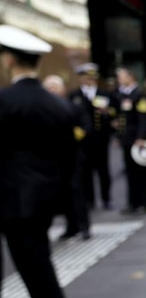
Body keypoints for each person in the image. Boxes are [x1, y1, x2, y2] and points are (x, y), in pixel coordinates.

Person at [0, 25, 76, 298]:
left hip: (15, 197)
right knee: (39, 258)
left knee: (32, 264)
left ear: (10, 61)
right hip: (47, 195)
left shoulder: (6, 101)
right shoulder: (56, 103)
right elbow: (69, 158)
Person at [44, 75, 91, 241]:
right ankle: (71, 227)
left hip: (72, 156)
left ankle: (84, 227)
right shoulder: (42, 110)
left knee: (77, 192)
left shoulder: (73, 107)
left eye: (54, 87)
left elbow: (84, 129)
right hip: (53, 160)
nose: (52, 90)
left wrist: (66, 137)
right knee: (62, 195)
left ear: (62, 89)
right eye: (48, 87)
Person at [69, 63, 113, 209]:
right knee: (85, 171)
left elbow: (114, 113)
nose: (89, 80)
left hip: (101, 138)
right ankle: (89, 200)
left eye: (92, 77)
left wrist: (107, 113)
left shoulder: (104, 94)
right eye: (86, 77)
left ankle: (106, 198)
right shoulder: (75, 95)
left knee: (103, 169)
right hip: (84, 139)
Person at [113, 67, 146, 214]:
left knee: (142, 171)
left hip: (137, 139)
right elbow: (121, 118)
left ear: (131, 77)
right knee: (130, 172)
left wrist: (141, 137)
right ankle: (133, 202)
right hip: (126, 139)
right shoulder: (121, 94)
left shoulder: (139, 94)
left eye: (122, 76)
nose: (119, 79)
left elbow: (143, 118)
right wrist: (119, 135)